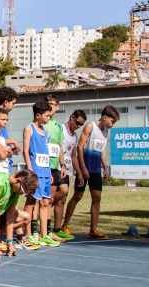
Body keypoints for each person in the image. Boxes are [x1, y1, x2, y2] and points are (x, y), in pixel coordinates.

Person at [62, 105, 119, 239]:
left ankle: (93, 230)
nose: (112, 125)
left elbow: (101, 151)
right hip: (84, 167)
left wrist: (105, 167)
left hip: (95, 170)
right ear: (104, 117)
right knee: (77, 196)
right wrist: (83, 169)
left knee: (97, 198)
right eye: (112, 121)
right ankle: (64, 225)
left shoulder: (106, 132)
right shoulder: (90, 126)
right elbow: (80, 147)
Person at [22, 98, 59, 247]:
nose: (48, 118)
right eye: (47, 115)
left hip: (45, 172)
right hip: (35, 172)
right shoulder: (29, 128)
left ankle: (44, 235)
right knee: (31, 202)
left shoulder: (45, 132)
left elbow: (46, 154)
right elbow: (25, 150)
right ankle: (28, 234)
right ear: (38, 115)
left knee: (45, 202)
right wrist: (30, 170)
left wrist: (49, 172)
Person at [51, 109, 87, 241]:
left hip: (67, 170)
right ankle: (45, 209)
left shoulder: (75, 136)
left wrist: (79, 173)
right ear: (71, 117)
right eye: (77, 123)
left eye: (81, 125)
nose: (78, 126)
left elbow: (73, 156)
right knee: (62, 191)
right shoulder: (60, 129)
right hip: (56, 166)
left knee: (62, 199)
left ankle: (57, 229)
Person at [43, 95, 66, 240]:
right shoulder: (43, 123)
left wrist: (62, 164)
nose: (51, 106)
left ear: (58, 106)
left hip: (55, 166)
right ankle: (45, 231)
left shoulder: (58, 126)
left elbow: (59, 146)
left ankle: (47, 229)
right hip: (43, 165)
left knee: (61, 192)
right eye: (48, 104)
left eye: (53, 104)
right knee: (46, 199)